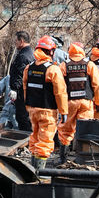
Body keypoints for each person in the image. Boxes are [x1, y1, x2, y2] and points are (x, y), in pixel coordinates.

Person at [22, 35, 68, 170]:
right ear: (51, 51)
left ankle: (32, 170)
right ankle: (40, 173)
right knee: (45, 142)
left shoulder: (29, 68)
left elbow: (25, 89)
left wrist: (27, 106)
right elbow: (60, 93)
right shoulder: (53, 69)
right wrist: (64, 112)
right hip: (48, 111)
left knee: (35, 138)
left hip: (32, 110)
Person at [57, 42, 99, 162]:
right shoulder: (89, 64)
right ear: (82, 51)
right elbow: (98, 84)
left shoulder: (64, 65)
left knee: (65, 130)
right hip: (86, 102)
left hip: (69, 103)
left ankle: (63, 158)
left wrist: (59, 104)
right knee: (85, 129)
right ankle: (84, 158)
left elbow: (59, 86)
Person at [9, 30, 34, 130]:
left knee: (22, 118)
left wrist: (14, 89)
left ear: (21, 41)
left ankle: (26, 138)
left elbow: (20, 75)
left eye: (16, 40)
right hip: (28, 93)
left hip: (22, 93)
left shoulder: (23, 56)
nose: (15, 43)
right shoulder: (30, 53)